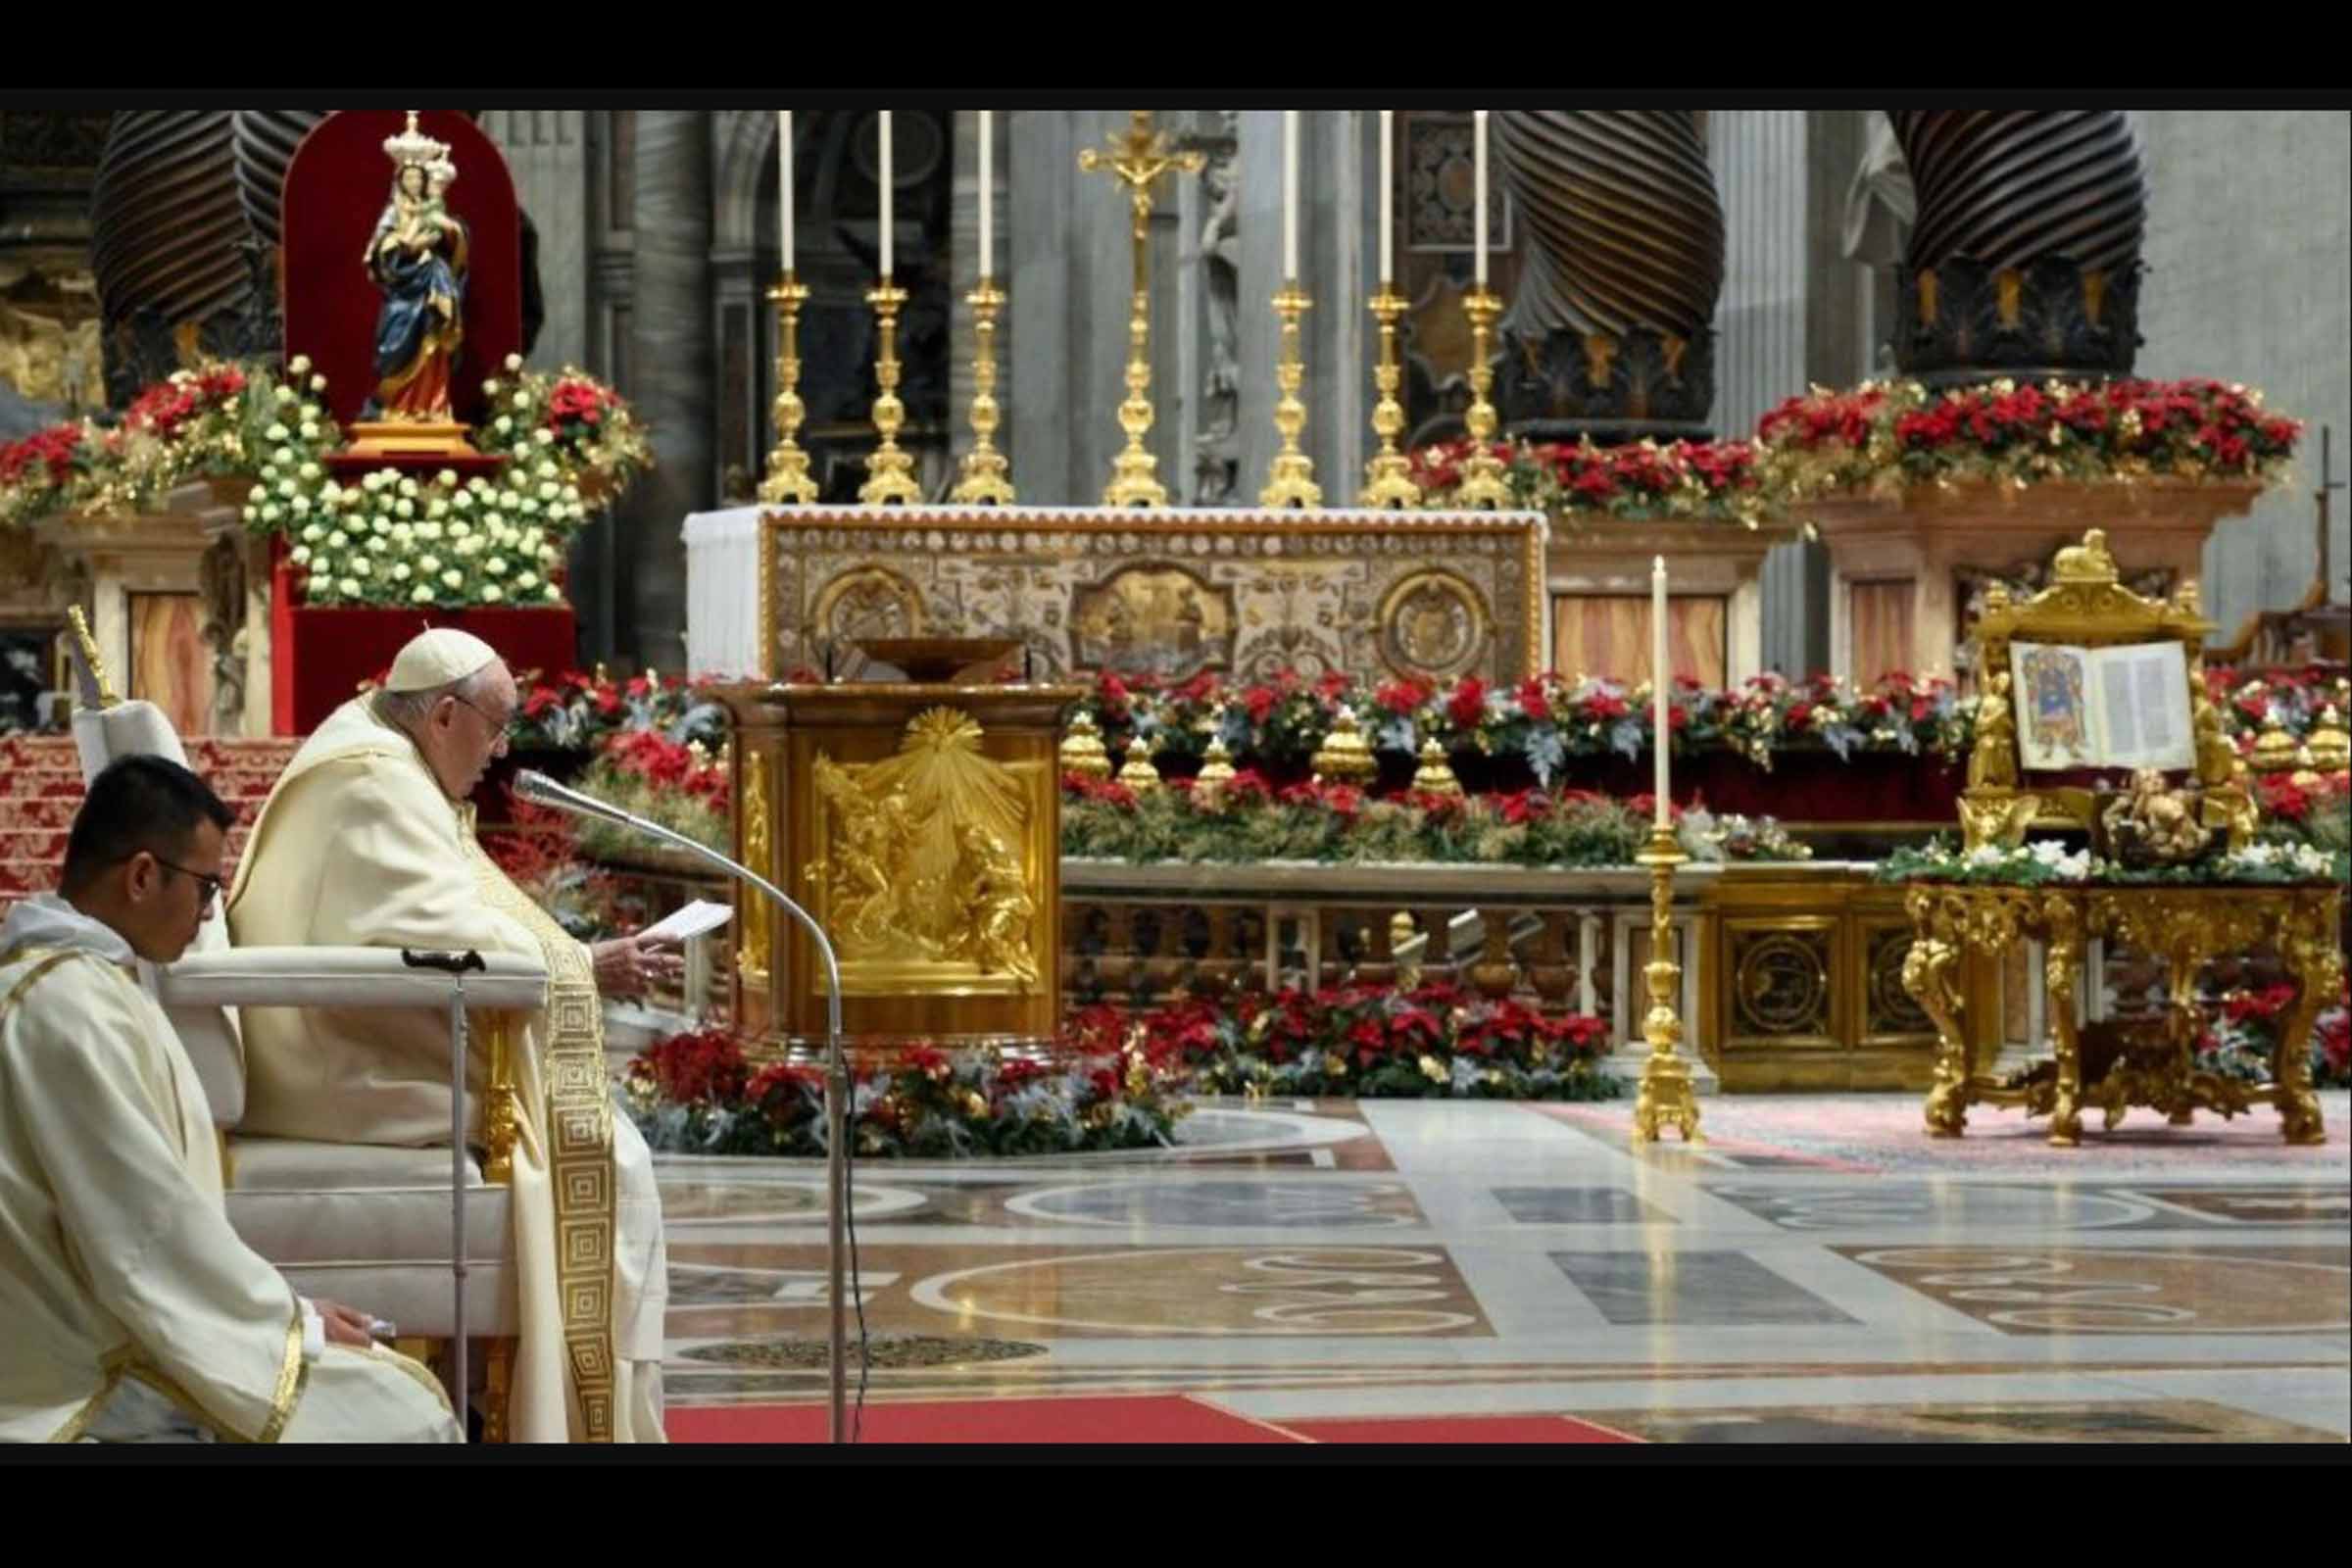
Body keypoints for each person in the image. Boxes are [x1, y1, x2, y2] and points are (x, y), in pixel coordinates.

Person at [227, 628, 677, 1443]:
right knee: (612, 1157)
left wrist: (569, 960)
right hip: (333, 1065)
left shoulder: (374, 748)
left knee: (608, 1148)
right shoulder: (372, 782)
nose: (499, 754)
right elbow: (431, 930)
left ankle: (484, 1393)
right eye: (495, 730)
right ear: (442, 715)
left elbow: (441, 919)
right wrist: (582, 965)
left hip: (324, 1031)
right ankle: (558, 1415)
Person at [0, 756, 460, 1443]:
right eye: (205, 887)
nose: (208, 911)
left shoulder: (74, 984)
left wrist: (284, 1312)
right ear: (143, 875)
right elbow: (144, 1235)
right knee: (406, 1415)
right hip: (75, 1367)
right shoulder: (71, 1010)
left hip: (97, 1326)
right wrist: (291, 1323)